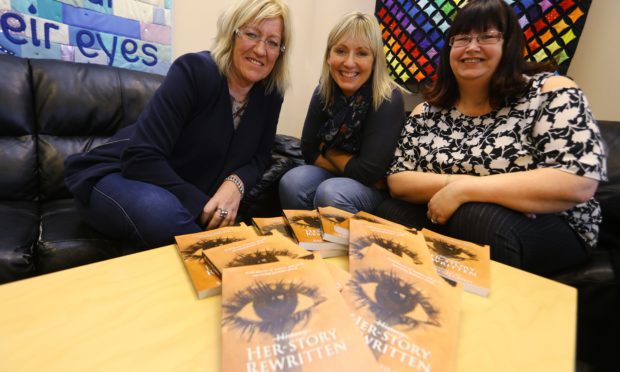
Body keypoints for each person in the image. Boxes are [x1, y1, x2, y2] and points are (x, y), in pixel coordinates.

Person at [384, 0, 607, 276]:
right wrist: (457, 185)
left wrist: (465, 192)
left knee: (477, 218)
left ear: (510, 45)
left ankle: (492, 317)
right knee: (390, 213)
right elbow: (398, 180)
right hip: (448, 213)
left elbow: (577, 181)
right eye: (462, 38)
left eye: (488, 36)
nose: (472, 46)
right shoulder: (426, 111)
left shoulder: (551, 91)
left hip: (552, 223)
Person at [64, 0, 292, 248]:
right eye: (252, 34)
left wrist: (234, 185)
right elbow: (142, 157)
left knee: (180, 219)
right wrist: (203, 207)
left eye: (273, 42)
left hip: (179, 195)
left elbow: (259, 158)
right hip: (119, 174)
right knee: (164, 214)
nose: (260, 50)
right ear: (232, 34)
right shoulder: (194, 70)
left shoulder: (271, 95)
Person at [278, 11, 406, 213]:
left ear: (375, 60)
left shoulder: (388, 98)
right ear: (329, 56)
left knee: (331, 193)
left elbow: (369, 173)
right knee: (293, 182)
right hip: (346, 178)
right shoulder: (324, 90)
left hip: (374, 192)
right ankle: (306, 242)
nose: (349, 62)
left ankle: (339, 245)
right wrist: (350, 166)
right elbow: (309, 150)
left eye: (362, 53)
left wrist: (326, 149)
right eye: (341, 51)